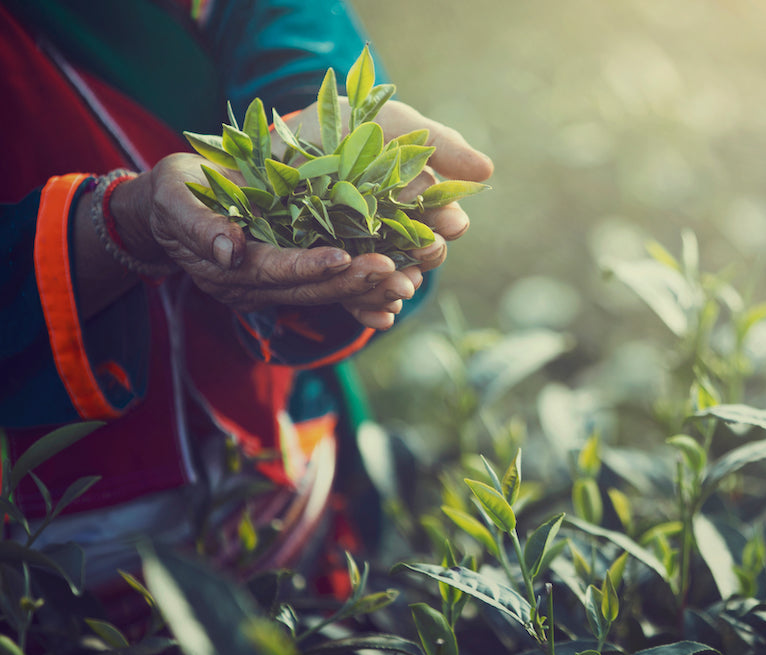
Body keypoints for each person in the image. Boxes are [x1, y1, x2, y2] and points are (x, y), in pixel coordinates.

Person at [0, 0, 494, 603]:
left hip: (287, 505)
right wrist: (120, 222)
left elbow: (302, 54)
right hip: (44, 565)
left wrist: (329, 142)